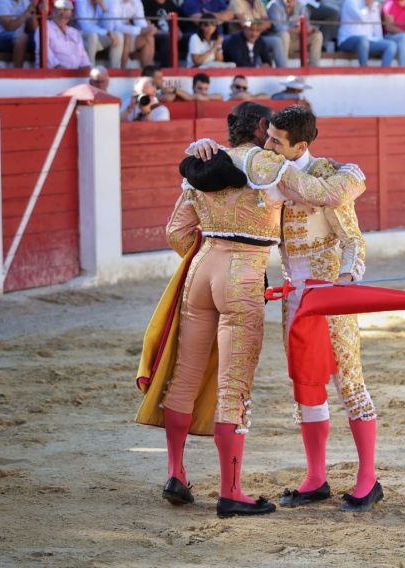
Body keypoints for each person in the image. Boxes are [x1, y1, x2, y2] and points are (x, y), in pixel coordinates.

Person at [136, 101, 367, 517]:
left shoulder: (205, 162)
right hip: (243, 274)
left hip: (201, 271)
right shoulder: (266, 165)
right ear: (262, 127)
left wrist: (207, 254)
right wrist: (354, 173)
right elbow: (328, 194)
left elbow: (175, 232)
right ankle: (231, 491)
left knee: (184, 376)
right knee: (233, 385)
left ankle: (176, 472)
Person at [264, 105, 381, 512]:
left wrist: (347, 279)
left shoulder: (327, 179)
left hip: (329, 298)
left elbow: (354, 240)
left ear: (301, 146)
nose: (267, 145)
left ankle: (369, 478)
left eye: (276, 141)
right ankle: (316, 478)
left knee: (349, 383)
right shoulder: (269, 173)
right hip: (294, 298)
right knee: (307, 386)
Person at [337, 0, 397, 66]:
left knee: (391, 45)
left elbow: (377, 26)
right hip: (347, 40)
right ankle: (364, 70)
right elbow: (361, 18)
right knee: (363, 40)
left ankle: (384, 73)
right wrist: (367, 7)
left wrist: (380, 40)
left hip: (369, 41)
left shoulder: (373, 4)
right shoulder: (351, 2)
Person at [36, 0, 91, 69]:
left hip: (74, 75)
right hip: (53, 75)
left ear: (71, 14)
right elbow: (47, 56)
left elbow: (84, 58)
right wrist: (62, 70)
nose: (63, 13)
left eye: (66, 10)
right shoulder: (45, 28)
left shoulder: (75, 33)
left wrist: (87, 68)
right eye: (59, 9)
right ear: (53, 12)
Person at [268, 0, 323, 67]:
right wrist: (295, 30)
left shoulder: (301, 5)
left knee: (317, 35)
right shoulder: (275, 5)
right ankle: (283, 68)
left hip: (295, 40)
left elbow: (306, 25)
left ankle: (314, 68)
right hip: (279, 42)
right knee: (285, 35)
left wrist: (311, 30)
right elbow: (277, 27)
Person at [0, 0, 39, 68]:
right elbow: (9, 27)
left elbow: (33, 29)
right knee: (21, 37)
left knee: (40, 37)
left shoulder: (25, 2)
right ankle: (18, 73)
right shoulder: (1, 2)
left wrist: (32, 9)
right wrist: (26, 13)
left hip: (14, 36)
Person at [109, 0, 157, 68]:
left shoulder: (136, 2)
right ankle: (122, 70)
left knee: (149, 36)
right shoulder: (113, 2)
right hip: (111, 33)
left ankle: (148, 72)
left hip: (127, 32)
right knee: (126, 36)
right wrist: (141, 30)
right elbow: (116, 26)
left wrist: (148, 28)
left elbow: (140, 21)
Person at [76, 0, 123, 68]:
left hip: (97, 35)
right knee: (93, 36)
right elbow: (84, 26)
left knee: (118, 36)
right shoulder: (81, 2)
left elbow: (109, 27)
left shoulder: (103, 2)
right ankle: (90, 68)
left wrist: (104, 8)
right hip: (81, 35)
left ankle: (115, 70)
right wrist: (106, 32)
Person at [142, 0, 181, 68]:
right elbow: (146, 24)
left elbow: (178, 23)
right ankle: (166, 68)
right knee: (166, 38)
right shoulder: (147, 3)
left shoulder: (171, 4)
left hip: (171, 32)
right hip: (155, 32)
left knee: (187, 37)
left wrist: (177, 31)